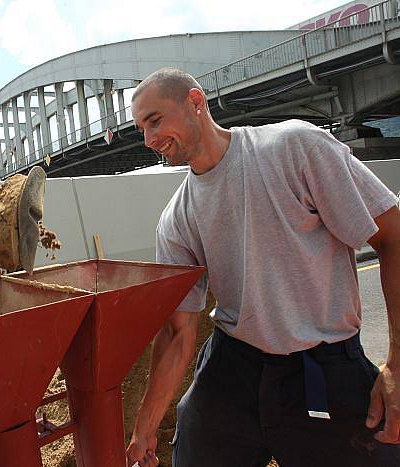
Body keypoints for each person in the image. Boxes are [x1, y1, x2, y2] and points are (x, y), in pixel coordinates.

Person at [126, 67, 400, 466]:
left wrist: (396, 366)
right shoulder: (176, 219)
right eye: (141, 130)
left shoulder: (294, 148)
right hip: (234, 364)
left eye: (155, 121)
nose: (150, 140)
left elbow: (392, 238)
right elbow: (177, 330)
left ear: (195, 103)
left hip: (322, 364)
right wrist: (144, 427)